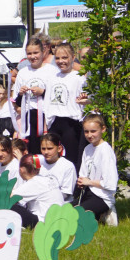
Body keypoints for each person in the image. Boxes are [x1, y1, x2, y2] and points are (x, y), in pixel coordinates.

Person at [44, 43, 87, 172]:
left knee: (71, 158)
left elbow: (86, 100)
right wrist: (46, 125)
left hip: (71, 123)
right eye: (57, 58)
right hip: (55, 122)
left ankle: (73, 188)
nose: (61, 61)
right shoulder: (52, 78)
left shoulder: (79, 78)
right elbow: (47, 103)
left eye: (64, 57)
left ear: (73, 57)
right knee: (52, 157)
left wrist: (84, 101)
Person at [13, 37, 57, 155]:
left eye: (36, 53)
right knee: (31, 151)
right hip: (28, 118)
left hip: (47, 118)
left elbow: (56, 95)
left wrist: (43, 92)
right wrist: (21, 94)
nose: (32, 56)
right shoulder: (23, 72)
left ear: (43, 52)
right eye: (29, 53)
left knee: (46, 149)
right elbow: (15, 102)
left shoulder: (52, 71)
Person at [76, 113, 119, 226]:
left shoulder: (105, 150)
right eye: (86, 131)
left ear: (103, 129)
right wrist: (81, 182)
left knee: (76, 215)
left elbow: (110, 183)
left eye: (93, 131)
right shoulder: (87, 149)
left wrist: (89, 182)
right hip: (89, 192)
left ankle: (106, 211)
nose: (89, 135)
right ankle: (96, 215)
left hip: (103, 197)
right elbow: (84, 174)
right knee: (66, 210)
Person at [10, 154, 65, 228]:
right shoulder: (46, 179)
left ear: (21, 170)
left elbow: (10, 198)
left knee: (9, 206)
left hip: (43, 223)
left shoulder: (34, 183)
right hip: (58, 220)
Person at [39, 132, 78, 203]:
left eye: (50, 148)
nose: (46, 152)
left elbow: (66, 193)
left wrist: (45, 199)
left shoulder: (68, 166)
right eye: (43, 149)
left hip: (60, 205)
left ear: (59, 148)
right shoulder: (38, 161)